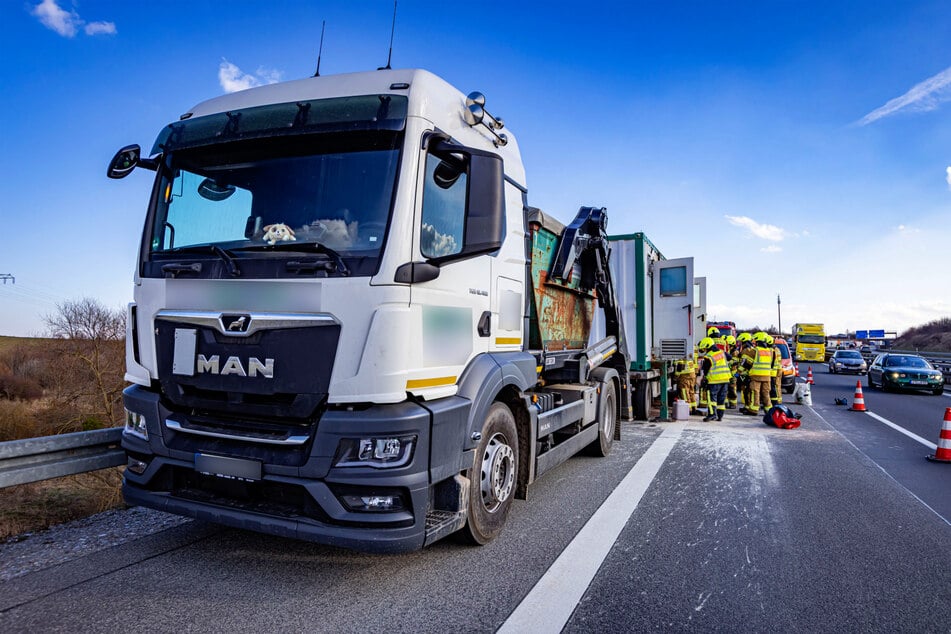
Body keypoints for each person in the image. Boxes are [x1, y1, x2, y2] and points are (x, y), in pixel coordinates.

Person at [698, 336, 731, 421]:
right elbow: (730, 358)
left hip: (714, 380)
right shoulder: (722, 352)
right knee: (721, 399)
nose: (704, 350)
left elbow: (706, 370)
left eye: (704, 348)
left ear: (708, 346)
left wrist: (704, 379)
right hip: (725, 379)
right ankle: (720, 416)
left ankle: (712, 414)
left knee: (712, 398)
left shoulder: (708, 356)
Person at [744, 332, 775, 414]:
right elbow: (771, 364)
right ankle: (769, 410)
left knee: (755, 392)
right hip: (767, 376)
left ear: (758, 341)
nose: (754, 342)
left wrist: (742, 372)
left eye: (755, 341)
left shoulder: (755, 351)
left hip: (756, 376)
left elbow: (748, 364)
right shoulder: (770, 351)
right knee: (766, 393)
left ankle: (753, 409)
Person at [725, 334, 739, 408]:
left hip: (733, 374)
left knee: (732, 388)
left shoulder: (735, 352)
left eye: (729, 345)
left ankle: (733, 403)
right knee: (725, 388)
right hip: (727, 373)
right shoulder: (727, 351)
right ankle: (726, 402)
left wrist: (728, 362)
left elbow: (736, 361)